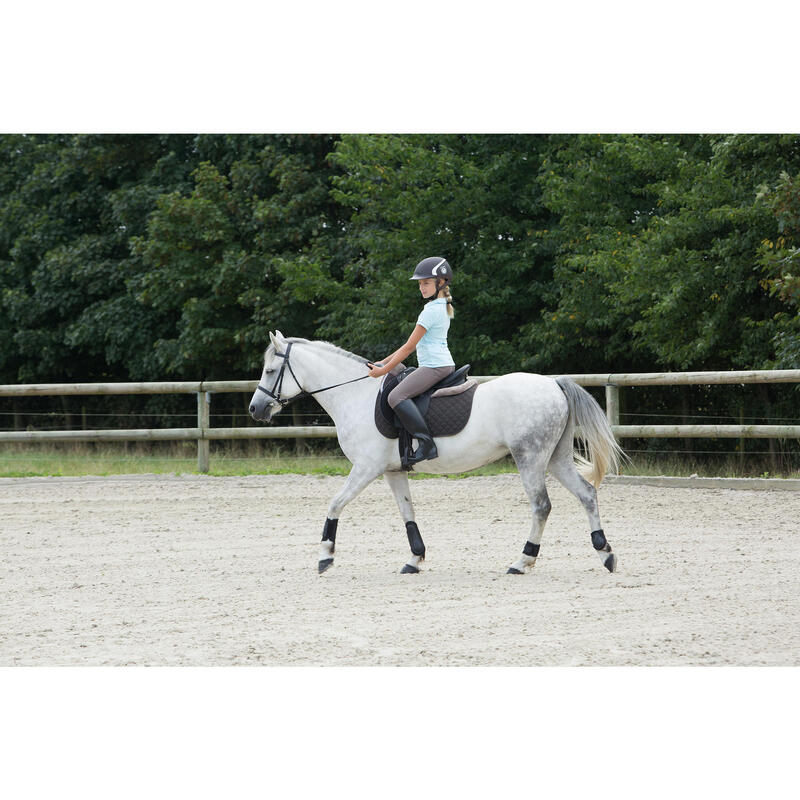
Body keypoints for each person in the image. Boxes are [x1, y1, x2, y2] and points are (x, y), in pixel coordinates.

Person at [367, 257, 456, 464]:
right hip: (440, 364)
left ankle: (426, 444)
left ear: (441, 282)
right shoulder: (440, 306)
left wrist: (382, 371)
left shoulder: (431, 311)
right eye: (419, 284)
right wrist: (383, 362)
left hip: (435, 366)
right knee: (396, 372)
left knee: (396, 396)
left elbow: (408, 347)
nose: (421, 287)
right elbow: (409, 345)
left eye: (426, 283)